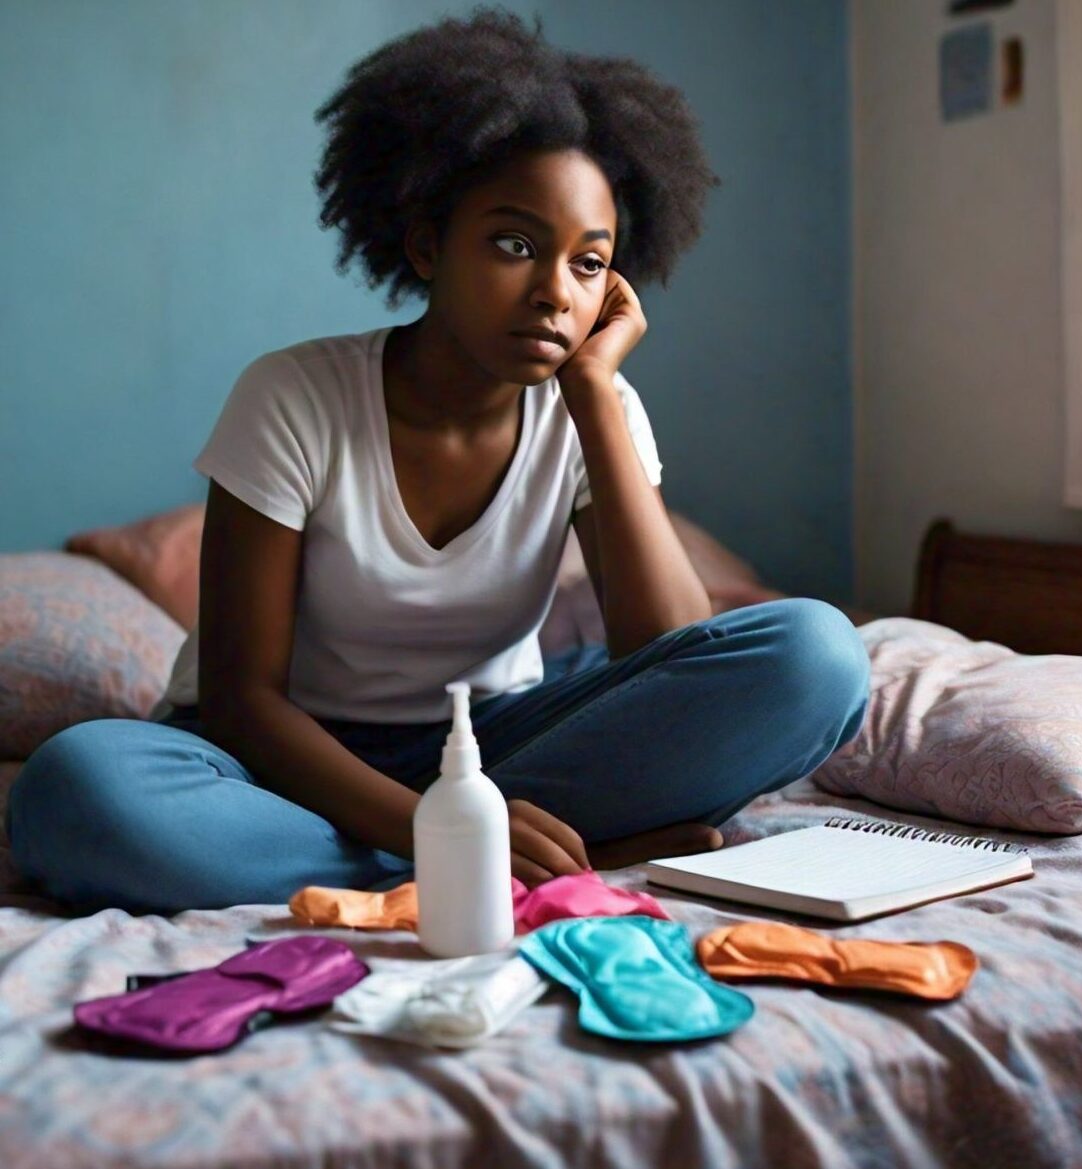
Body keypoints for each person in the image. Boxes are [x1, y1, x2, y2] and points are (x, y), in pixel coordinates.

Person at [8, 9, 870, 914]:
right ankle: (508, 857)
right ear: (427, 244)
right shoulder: (294, 397)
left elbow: (665, 653)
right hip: (273, 764)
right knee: (76, 789)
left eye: (589, 264)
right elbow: (242, 702)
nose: (552, 290)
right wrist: (426, 824)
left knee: (815, 655)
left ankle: (465, 854)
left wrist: (593, 398)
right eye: (514, 245)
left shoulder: (594, 406)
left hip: (492, 747)